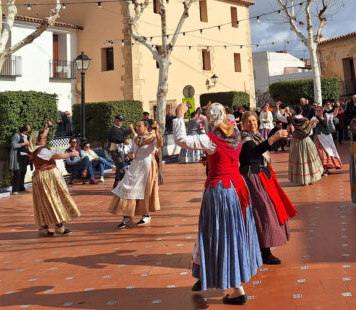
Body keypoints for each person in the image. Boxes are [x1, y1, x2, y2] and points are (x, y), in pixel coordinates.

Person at [171, 102, 262, 305]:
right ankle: (204, 273)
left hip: (221, 191)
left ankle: (237, 289)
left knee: (219, 234)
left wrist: (179, 117)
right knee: (234, 232)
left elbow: (180, 140)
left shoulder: (211, 139)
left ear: (210, 119)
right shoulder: (235, 133)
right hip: (238, 188)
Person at [239, 110, 295, 264]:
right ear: (242, 124)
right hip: (252, 179)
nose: (252, 123)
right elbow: (254, 152)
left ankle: (263, 250)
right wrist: (273, 138)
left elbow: (266, 148)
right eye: (248, 121)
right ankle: (263, 251)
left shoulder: (255, 136)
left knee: (266, 210)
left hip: (261, 176)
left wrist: (281, 137)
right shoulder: (244, 139)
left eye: (254, 120)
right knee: (262, 211)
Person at [28, 124, 80, 237]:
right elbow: (56, 155)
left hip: (39, 177)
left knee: (42, 202)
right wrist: (71, 154)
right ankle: (59, 226)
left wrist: (46, 128)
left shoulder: (34, 149)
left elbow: (41, 137)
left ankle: (43, 227)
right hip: (47, 177)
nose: (46, 139)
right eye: (44, 138)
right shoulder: (42, 150)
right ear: (37, 141)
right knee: (53, 198)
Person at [109, 118, 162, 228]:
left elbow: (160, 144)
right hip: (135, 165)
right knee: (127, 187)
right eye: (137, 126)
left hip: (147, 164)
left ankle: (146, 214)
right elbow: (132, 151)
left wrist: (157, 132)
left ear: (146, 128)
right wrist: (130, 155)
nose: (137, 128)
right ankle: (127, 216)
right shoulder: (136, 138)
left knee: (144, 189)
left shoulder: (152, 137)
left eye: (139, 126)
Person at [287, 105, 323, 186]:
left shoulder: (292, 119)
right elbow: (309, 131)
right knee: (308, 159)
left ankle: (302, 180)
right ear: (302, 111)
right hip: (306, 141)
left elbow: (280, 117)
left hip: (295, 142)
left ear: (294, 111)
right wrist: (313, 123)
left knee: (299, 160)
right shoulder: (306, 120)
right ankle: (310, 178)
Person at [313, 103, 342, 175]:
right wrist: (312, 123)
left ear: (322, 111)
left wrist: (337, 107)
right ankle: (323, 170)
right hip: (319, 137)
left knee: (329, 151)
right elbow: (310, 125)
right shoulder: (314, 118)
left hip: (327, 137)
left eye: (320, 110)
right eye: (317, 110)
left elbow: (334, 114)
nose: (318, 112)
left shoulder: (327, 116)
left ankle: (326, 169)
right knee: (321, 153)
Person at [10, 124, 31, 194]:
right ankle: (15, 189)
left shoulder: (27, 136)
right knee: (17, 173)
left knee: (23, 172)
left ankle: (21, 187)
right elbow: (14, 145)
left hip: (25, 156)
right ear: (24, 130)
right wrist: (24, 144)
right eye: (28, 130)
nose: (28, 132)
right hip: (17, 156)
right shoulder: (17, 135)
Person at [108, 116, 127, 188]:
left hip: (120, 151)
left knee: (120, 167)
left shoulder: (119, 129)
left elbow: (124, 132)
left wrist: (133, 129)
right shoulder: (113, 129)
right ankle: (124, 185)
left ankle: (116, 183)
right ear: (116, 121)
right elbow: (113, 139)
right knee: (121, 168)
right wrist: (123, 140)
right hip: (115, 151)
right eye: (119, 121)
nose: (121, 122)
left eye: (121, 121)